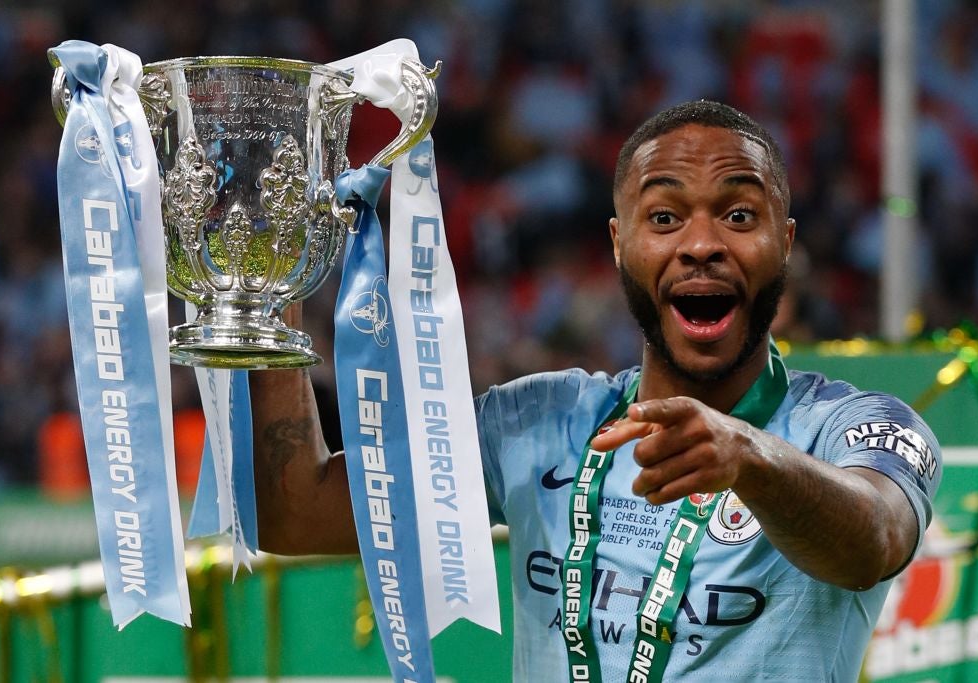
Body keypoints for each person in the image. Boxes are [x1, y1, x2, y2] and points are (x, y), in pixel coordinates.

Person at [250, 100, 941, 681]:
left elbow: (875, 540)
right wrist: (265, 283)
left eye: (738, 215)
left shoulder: (854, 426)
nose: (701, 243)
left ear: (784, 242)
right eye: (665, 218)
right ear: (618, 242)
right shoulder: (536, 420)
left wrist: (749, 455)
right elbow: (294, 511)